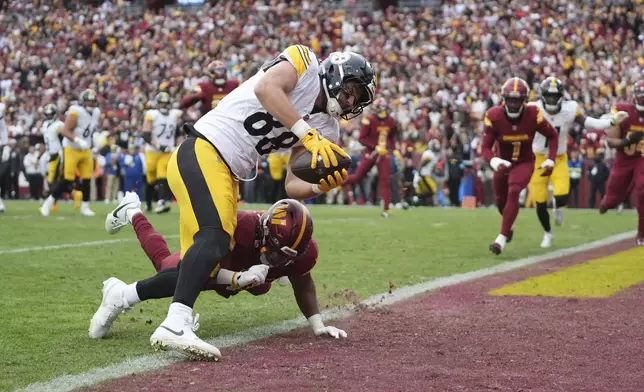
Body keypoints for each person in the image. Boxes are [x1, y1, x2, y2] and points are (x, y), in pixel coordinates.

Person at [139, 47, 374, 360]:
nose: (350, 104)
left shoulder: (327, 128)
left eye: (357, 101)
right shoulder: (304, 62)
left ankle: (121, 295)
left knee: (203, 264)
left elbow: (292, 184)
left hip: (228, 171)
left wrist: (319, 185)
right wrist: (306, 135)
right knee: (215, 238)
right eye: (351, 94)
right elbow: (266, 88)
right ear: (335, 76)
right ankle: (175, 323)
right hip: (206, 149)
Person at [92, 195, 346, 348]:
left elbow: (303, 282)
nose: (277, 259)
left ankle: (258, 279)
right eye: (275, 251)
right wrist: (237, 277)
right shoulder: (239, 225)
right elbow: (200, 267)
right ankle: (132, 213)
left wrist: (318, 325)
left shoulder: (302, 251)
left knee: (261, 284)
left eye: (285, 256)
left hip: (242, 265)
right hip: (217, 258)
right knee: (174, 270)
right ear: (264, 231)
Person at [528, 76, 628, 248]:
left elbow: (589, 123)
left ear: (561, 96)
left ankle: (558, 208)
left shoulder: (569, 109)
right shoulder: (532, 109)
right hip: (537, 158)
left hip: (558, 158)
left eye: (555, 95)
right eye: (549, 96)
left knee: (562, 196)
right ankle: (548, 233)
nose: (552, 99)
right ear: (543, 96)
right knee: (539, 201)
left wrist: (611, 121)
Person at [481, 77, 559, 255]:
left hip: (524, 162)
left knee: (514, 190)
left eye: (517, 100)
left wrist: (551, 159)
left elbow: (553, 135)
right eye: (510, 99)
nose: (514, 104)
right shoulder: (494, 115)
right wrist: (494, 161)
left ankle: (500, 239)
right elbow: (485, 146)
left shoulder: (533, 114)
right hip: (502, 163)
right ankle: (509, 226)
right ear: (504, 99)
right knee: (501, 201)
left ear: (525, 100)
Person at [40, 89, 100, 217]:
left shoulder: (96, 112)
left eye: (92, 101)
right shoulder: (76, 111)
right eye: (88, 101)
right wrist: (77, 140)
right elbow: (66, 131)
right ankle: (49, 202)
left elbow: (90, 130)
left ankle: (85, 206)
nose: (90, 104)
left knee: (87, 178)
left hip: (86, 149)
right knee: (67, 178)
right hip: (72, 148)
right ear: (83, 102)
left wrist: (91, 143)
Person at [600, 80, 644, 245]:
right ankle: (609, 202)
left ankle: (641, 233)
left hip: (642, 158)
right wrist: (626, 141)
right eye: (641, 96)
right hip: (624, 159)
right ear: (634, 96)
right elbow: (611, 141)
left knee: (642, 190)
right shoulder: (623, 111)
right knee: (612, 199)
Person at [343, 98, 398, 217]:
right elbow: (361, 138)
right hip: (371, 152)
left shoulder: (391, 121)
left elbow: (392, 137)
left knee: (385, 180)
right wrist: (374, 146)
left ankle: (386, 209)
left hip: (383, 153)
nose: (383, 111)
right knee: (358, 176)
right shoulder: (369, 120)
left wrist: (392, 149)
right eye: (381, 108)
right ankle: (338, 183)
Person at [142, 92, 182, 213]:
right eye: (161, 103)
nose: (164, 105)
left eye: (166, 103)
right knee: (151, 179)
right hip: (152, 151)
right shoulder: (152, 115)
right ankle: (148, 204)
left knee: (163, 174)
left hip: (167, 151)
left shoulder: (174, 115)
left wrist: (179, 144)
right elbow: (146, 135)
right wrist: (158, 145)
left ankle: (162, 202)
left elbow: (177, 132)